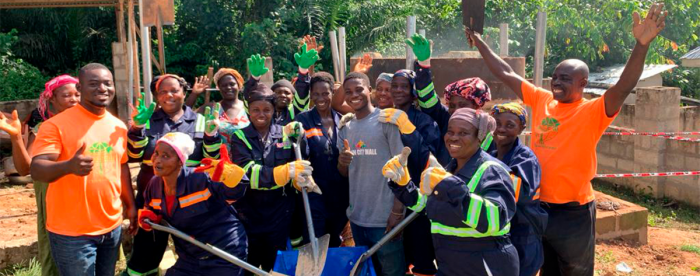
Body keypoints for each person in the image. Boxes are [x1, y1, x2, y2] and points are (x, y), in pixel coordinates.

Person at [466, 3, 666, 275]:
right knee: (544, 266)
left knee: (575, 270)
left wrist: (641, 45)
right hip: (538, 206)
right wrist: (480, 44)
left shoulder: (594, 110)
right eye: (555, 77)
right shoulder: (543, 99)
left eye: (566, 79)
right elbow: (506, 72)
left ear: (583, 83)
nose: (556, 83)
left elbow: (624, 86)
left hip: (574, 212)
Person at [30, 63, 138, 276]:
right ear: (79, 89)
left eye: (108, 83)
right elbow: (37, 168)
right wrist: (68, 166)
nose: (103, 89)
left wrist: (130, 204)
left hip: (111, 226)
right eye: (94, 84)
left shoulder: (118, 126)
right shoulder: (55, 125)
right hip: (72, 232)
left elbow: (122, 167)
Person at [384, 108, 518, 276]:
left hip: (485, 267)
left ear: (479, 138)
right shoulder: (451, 168)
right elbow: (428, 206)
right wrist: (404, 185)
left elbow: (496, 219)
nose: (454, 137)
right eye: (450, 131)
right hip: (450, 265)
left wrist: (449, 185)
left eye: (463, 133)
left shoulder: (492, 170)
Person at [125, 74, 222, 276]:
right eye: (163, 92)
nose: (169, 95)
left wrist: (212, 136)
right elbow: (133, 156)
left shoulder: (200, 120)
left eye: (174, 91)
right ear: (157, 97)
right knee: (145, 255)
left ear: (184, 92)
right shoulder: (147, 120)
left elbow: (211, 157)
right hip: (152, 201)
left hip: (190, 202)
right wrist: (137, 128)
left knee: (195, 253)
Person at [0, 75, 79, 276]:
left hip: (86, 200)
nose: (74, 99)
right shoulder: (45, 128)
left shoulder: (92, 123)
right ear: (51, 99)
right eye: (67, 95)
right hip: (54, 199)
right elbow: (26, 169)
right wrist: (16, 137)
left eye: (77, 94)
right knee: (57, 253)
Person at [229, 84, 314, 272]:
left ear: (274, 111)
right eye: (256, 110)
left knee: (274, 266)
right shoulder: (239, 137)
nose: (261, 114)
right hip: (249, 213)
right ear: (248, 111)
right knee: (248, 266)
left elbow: (301, 158)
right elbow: (245, 172)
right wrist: (283, 172)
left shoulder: (285, 133)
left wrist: (301, 138)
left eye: (267, 110)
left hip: (279, 213)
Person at [137, 132, 248, 276]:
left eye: (165, 156)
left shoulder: (200, 178)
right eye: (156, 154)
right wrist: (149, 218)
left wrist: (231, 176)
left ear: (180, 161)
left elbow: (233, 193)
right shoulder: (154, 185)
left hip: (224, 254)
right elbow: (151, 210)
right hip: (190, 257)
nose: (157, 160)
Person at [337, 71, 406, 276]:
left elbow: (402, 168)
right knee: (367, 272)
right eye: (348, 92)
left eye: (359, 89)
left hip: (385, 219)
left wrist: (397, 212)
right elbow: (345, 172)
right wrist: (342, 163)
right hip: (358, 218)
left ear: (370, 90)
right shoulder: (346, 127)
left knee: (392, 272)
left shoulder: (386, 121)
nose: (353, 95)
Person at [383, 69, 441, 276]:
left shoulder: (424, 121)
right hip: (390, 196)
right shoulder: (384, 117)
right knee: (398, 256)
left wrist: (407, 128)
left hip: (417, 198)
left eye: (404, 86)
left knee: (422, 255)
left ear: (413, 92)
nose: (398, 90)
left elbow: (428, 158)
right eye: (395, 86)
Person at [406, 34, 494, 164]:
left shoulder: (487, 128)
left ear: (477, 106)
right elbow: (427, 99)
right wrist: (424, 65)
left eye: (462, 105)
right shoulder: (446, 117)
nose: (456, 110)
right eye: (452, 105)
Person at [489, 102, 548, 276]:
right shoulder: (491, 154)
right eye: (497, 123)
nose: (501, 129)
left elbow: (519, 193)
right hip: (501, 235)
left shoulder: (525, 158)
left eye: (510, 125)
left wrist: (488, 172)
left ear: (521, 129)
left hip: (523, 235)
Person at [295, 71, 350, 247]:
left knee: (337, 241)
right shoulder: (303, 120)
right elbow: (300, 153)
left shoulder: (342, 121)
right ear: (311, 95)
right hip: (314, 193)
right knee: (315, 241)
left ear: (332, 94)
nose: (321, 98)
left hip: (341, 193)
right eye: (316, 94)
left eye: (325, 93)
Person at [186, 67, 250, 145]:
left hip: (246, 156)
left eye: (232, 84)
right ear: (218, 87)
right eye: (224, 85)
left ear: (239, 85)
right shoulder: (211, 108)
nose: (228, 87)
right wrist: (194, 94)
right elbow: (185, 116)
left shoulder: (248, 107)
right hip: (215, 155)